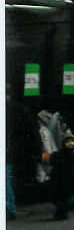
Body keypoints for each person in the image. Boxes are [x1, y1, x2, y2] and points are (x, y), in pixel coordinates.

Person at [6, 84, 39, 220]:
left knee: (5, 179)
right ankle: (10, 208)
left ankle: (10, 209)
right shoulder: (19, 108)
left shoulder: (13, 109)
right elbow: (30, 131)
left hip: (10, 149)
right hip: (14, 149)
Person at [43, 130, 74, 220]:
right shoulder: (60, 153)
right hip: (56, 179)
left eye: (72, 141)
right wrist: (44, 156)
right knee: (54, 196)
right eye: (67, 141)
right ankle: (60, 211)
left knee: (64, 197)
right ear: (64, 143)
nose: (70, 143)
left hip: (69, 179)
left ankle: (62, 213)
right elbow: (51, 159)